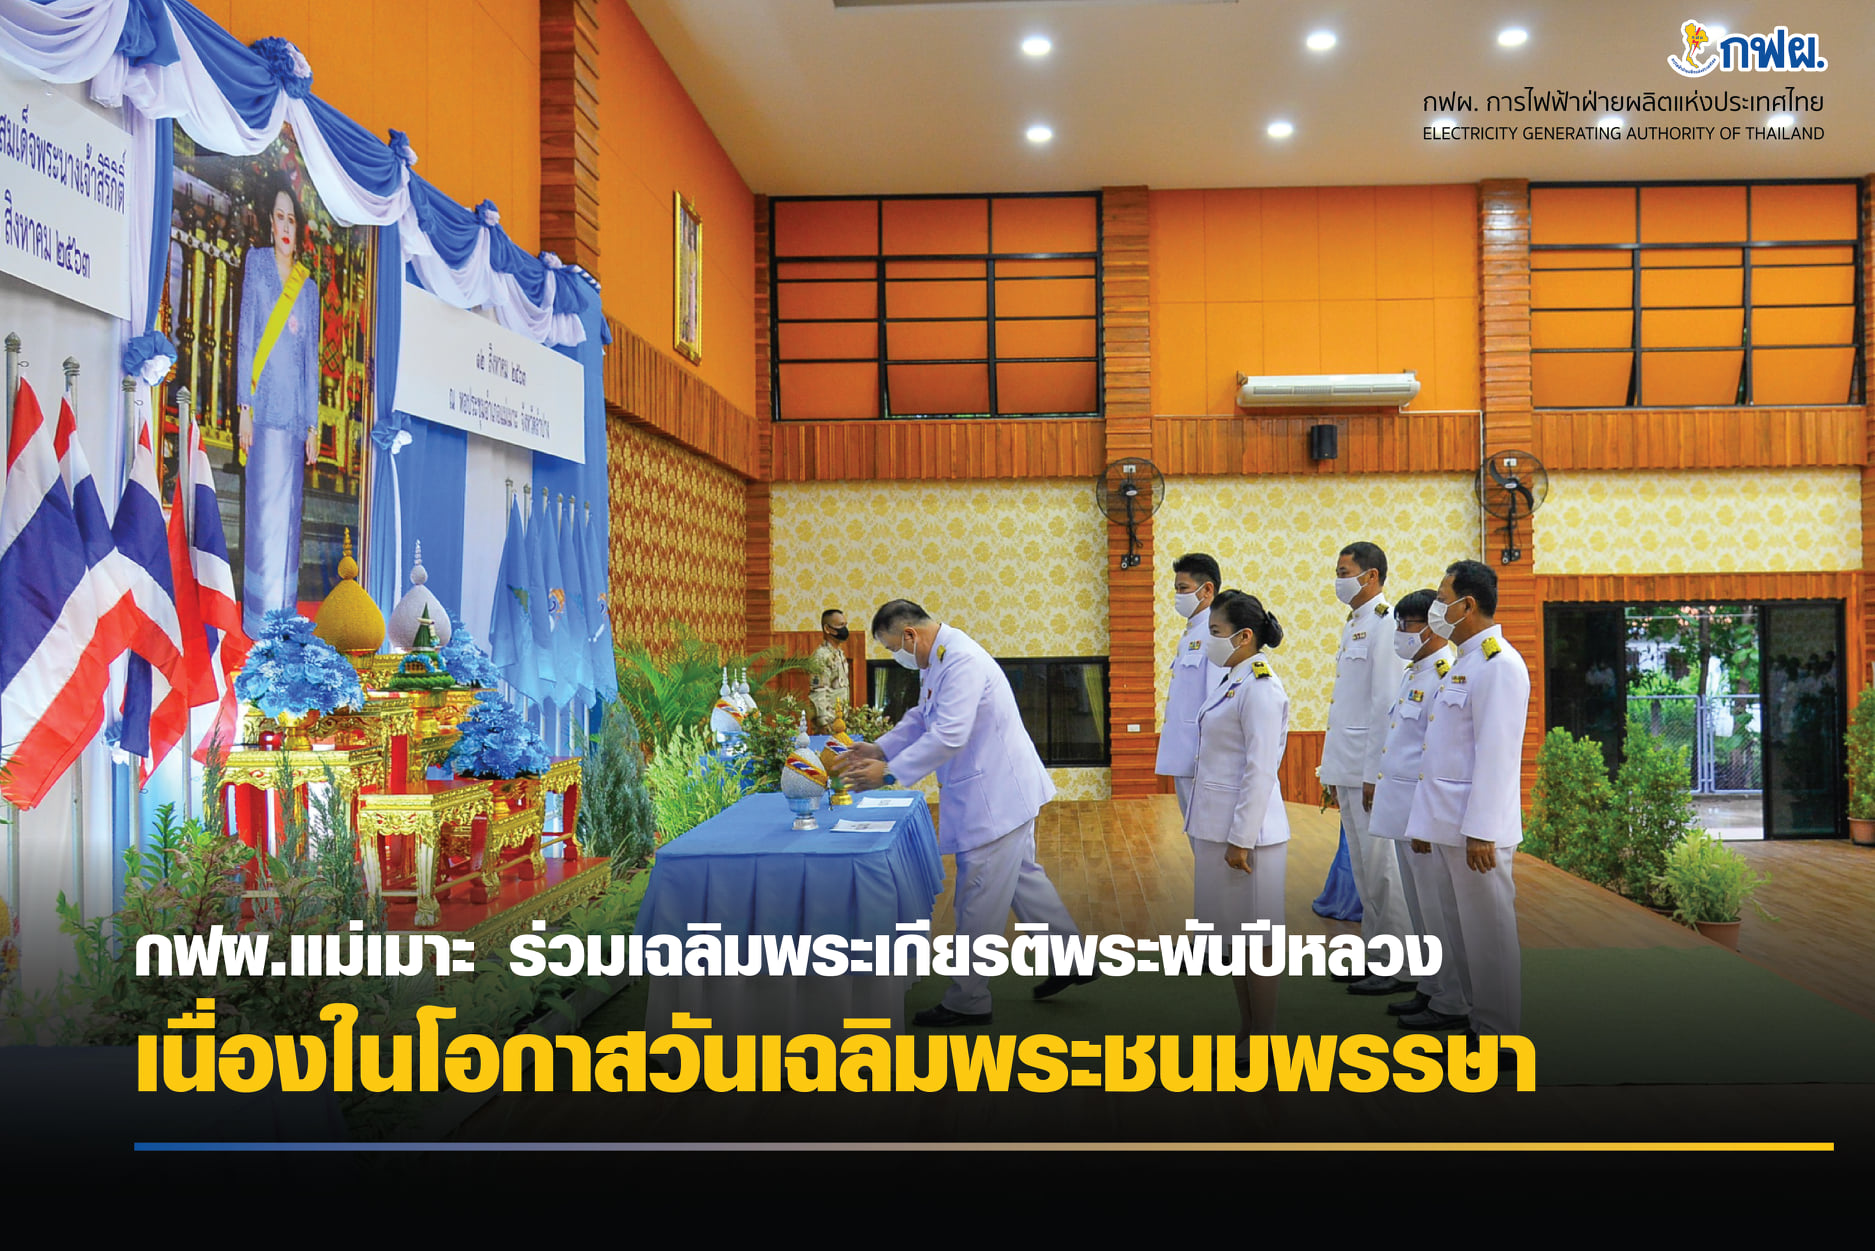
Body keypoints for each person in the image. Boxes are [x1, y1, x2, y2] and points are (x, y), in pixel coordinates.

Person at [834, 599, 1092, 1026]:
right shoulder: (937, 658)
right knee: (1022, 879)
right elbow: (922, 717)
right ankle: (1072, 958)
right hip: (1002, 792)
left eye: (893, 648)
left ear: (910, 635)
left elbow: (950, 735)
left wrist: (890, 773)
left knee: (977, 899)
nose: (896, 657)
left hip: (995, 799)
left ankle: (968, 1000)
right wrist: (880, 748)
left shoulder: (961, 660)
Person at [1407, 560, 1530, 1046]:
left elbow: (1497, 755)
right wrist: (1425, 822)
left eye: (1442, 599)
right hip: (1446, 823)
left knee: (1488, 935)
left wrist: (1483, 830)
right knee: (1460, 932)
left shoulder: (1500, 665)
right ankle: (1477, 1023)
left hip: (1476, 830)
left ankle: (1500, 1037)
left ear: (1468, 605)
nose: (1436, 608)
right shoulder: (1465, 661)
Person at [1186, 590, 1290, 1049]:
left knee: (1258, 938)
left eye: (1216, 632)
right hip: (1219, 829)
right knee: (1234, 937)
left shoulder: (1261, 687)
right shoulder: (1233, 679)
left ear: (1244, 636)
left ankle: (1263, 1036)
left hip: (1249, 836)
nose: (1209, 640)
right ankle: (1248, 1028)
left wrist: (1241, 839)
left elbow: (1260, 769)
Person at [1365, 589, 1470, 1031]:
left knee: (1437, 908)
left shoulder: (1444, 675)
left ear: (1431, 629)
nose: (1400, 633)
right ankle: (1431, 985)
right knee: (1419, 907)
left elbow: (1436, 754)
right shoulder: (1415, 673)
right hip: (1403, 811)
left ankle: (1451, 999)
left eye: (1407, 625)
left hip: (1421, 815)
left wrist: (1426, 820)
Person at [1318, 540, 1411, 996]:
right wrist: (1333, 770)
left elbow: (1384, 705)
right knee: (1363, 870)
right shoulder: (1356, 623)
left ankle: (1400, 965)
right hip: (1349, 766)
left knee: (1383, 870)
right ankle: (1375, 954)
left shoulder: (1384, 624)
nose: (1338, 580)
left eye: (1344, 572)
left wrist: (1376, 774)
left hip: (1368, 770)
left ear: (1371, 576)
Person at [235, 177, 322, 639]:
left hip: (294, 420)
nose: (286, 227)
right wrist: (243, 407)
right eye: (279, 217)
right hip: (264, 410)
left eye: (292, 219)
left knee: (290, 519)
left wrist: (313, 426)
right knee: (265, 518)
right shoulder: (257, 265)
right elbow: (247, 337)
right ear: (270, 223)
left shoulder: (308, 289)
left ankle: (284, 617)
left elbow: (311, 362)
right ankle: (259, 621)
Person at [1156, 553, 1226, 818]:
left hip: (1202, 756)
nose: (1178, 596)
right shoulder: (1191, 634)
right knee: (1194, 829)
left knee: (1207, 831)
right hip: (1185, 753)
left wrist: (1211, 758)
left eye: (1183, 588)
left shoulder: (1214, 632)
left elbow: (1217, 700)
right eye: (1176, 589)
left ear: (1207, 589)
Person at [807, 608, 852, 732]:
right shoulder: (821, 657)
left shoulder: (839, 653)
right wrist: (823, 722)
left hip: (840, 721)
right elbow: (818, 691)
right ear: (827, 629)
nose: (844, 629)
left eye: (845, 625)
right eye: (840, 625)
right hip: (828, 723)